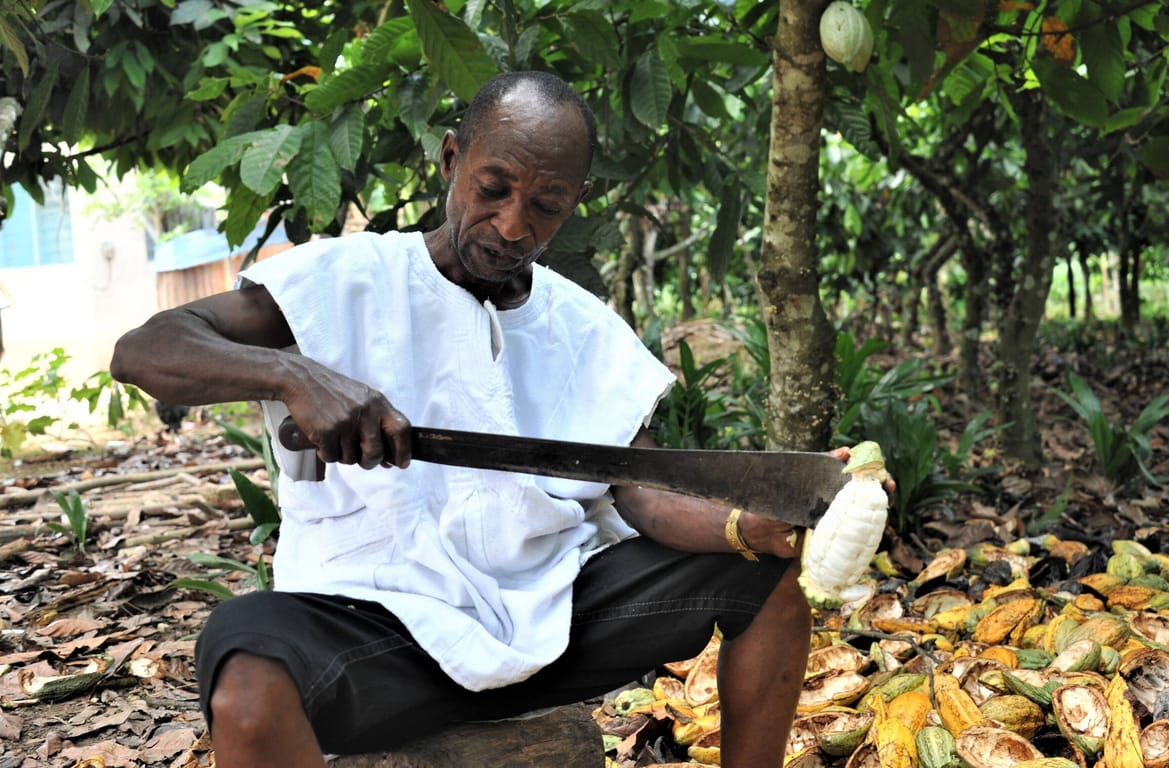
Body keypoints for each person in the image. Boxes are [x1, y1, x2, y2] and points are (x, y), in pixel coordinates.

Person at [111, 71, 818, 768]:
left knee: (764, 579)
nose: (513, 225)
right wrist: (295, 374)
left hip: (555, 626)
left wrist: (745, 526)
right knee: (245, 668)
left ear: (576, 203)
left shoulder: (583, 329)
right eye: (493, 189)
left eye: (545, 204)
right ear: (451, 160)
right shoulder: (340, 280)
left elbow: (638, 488)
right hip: (372, 640)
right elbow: (144, 350)